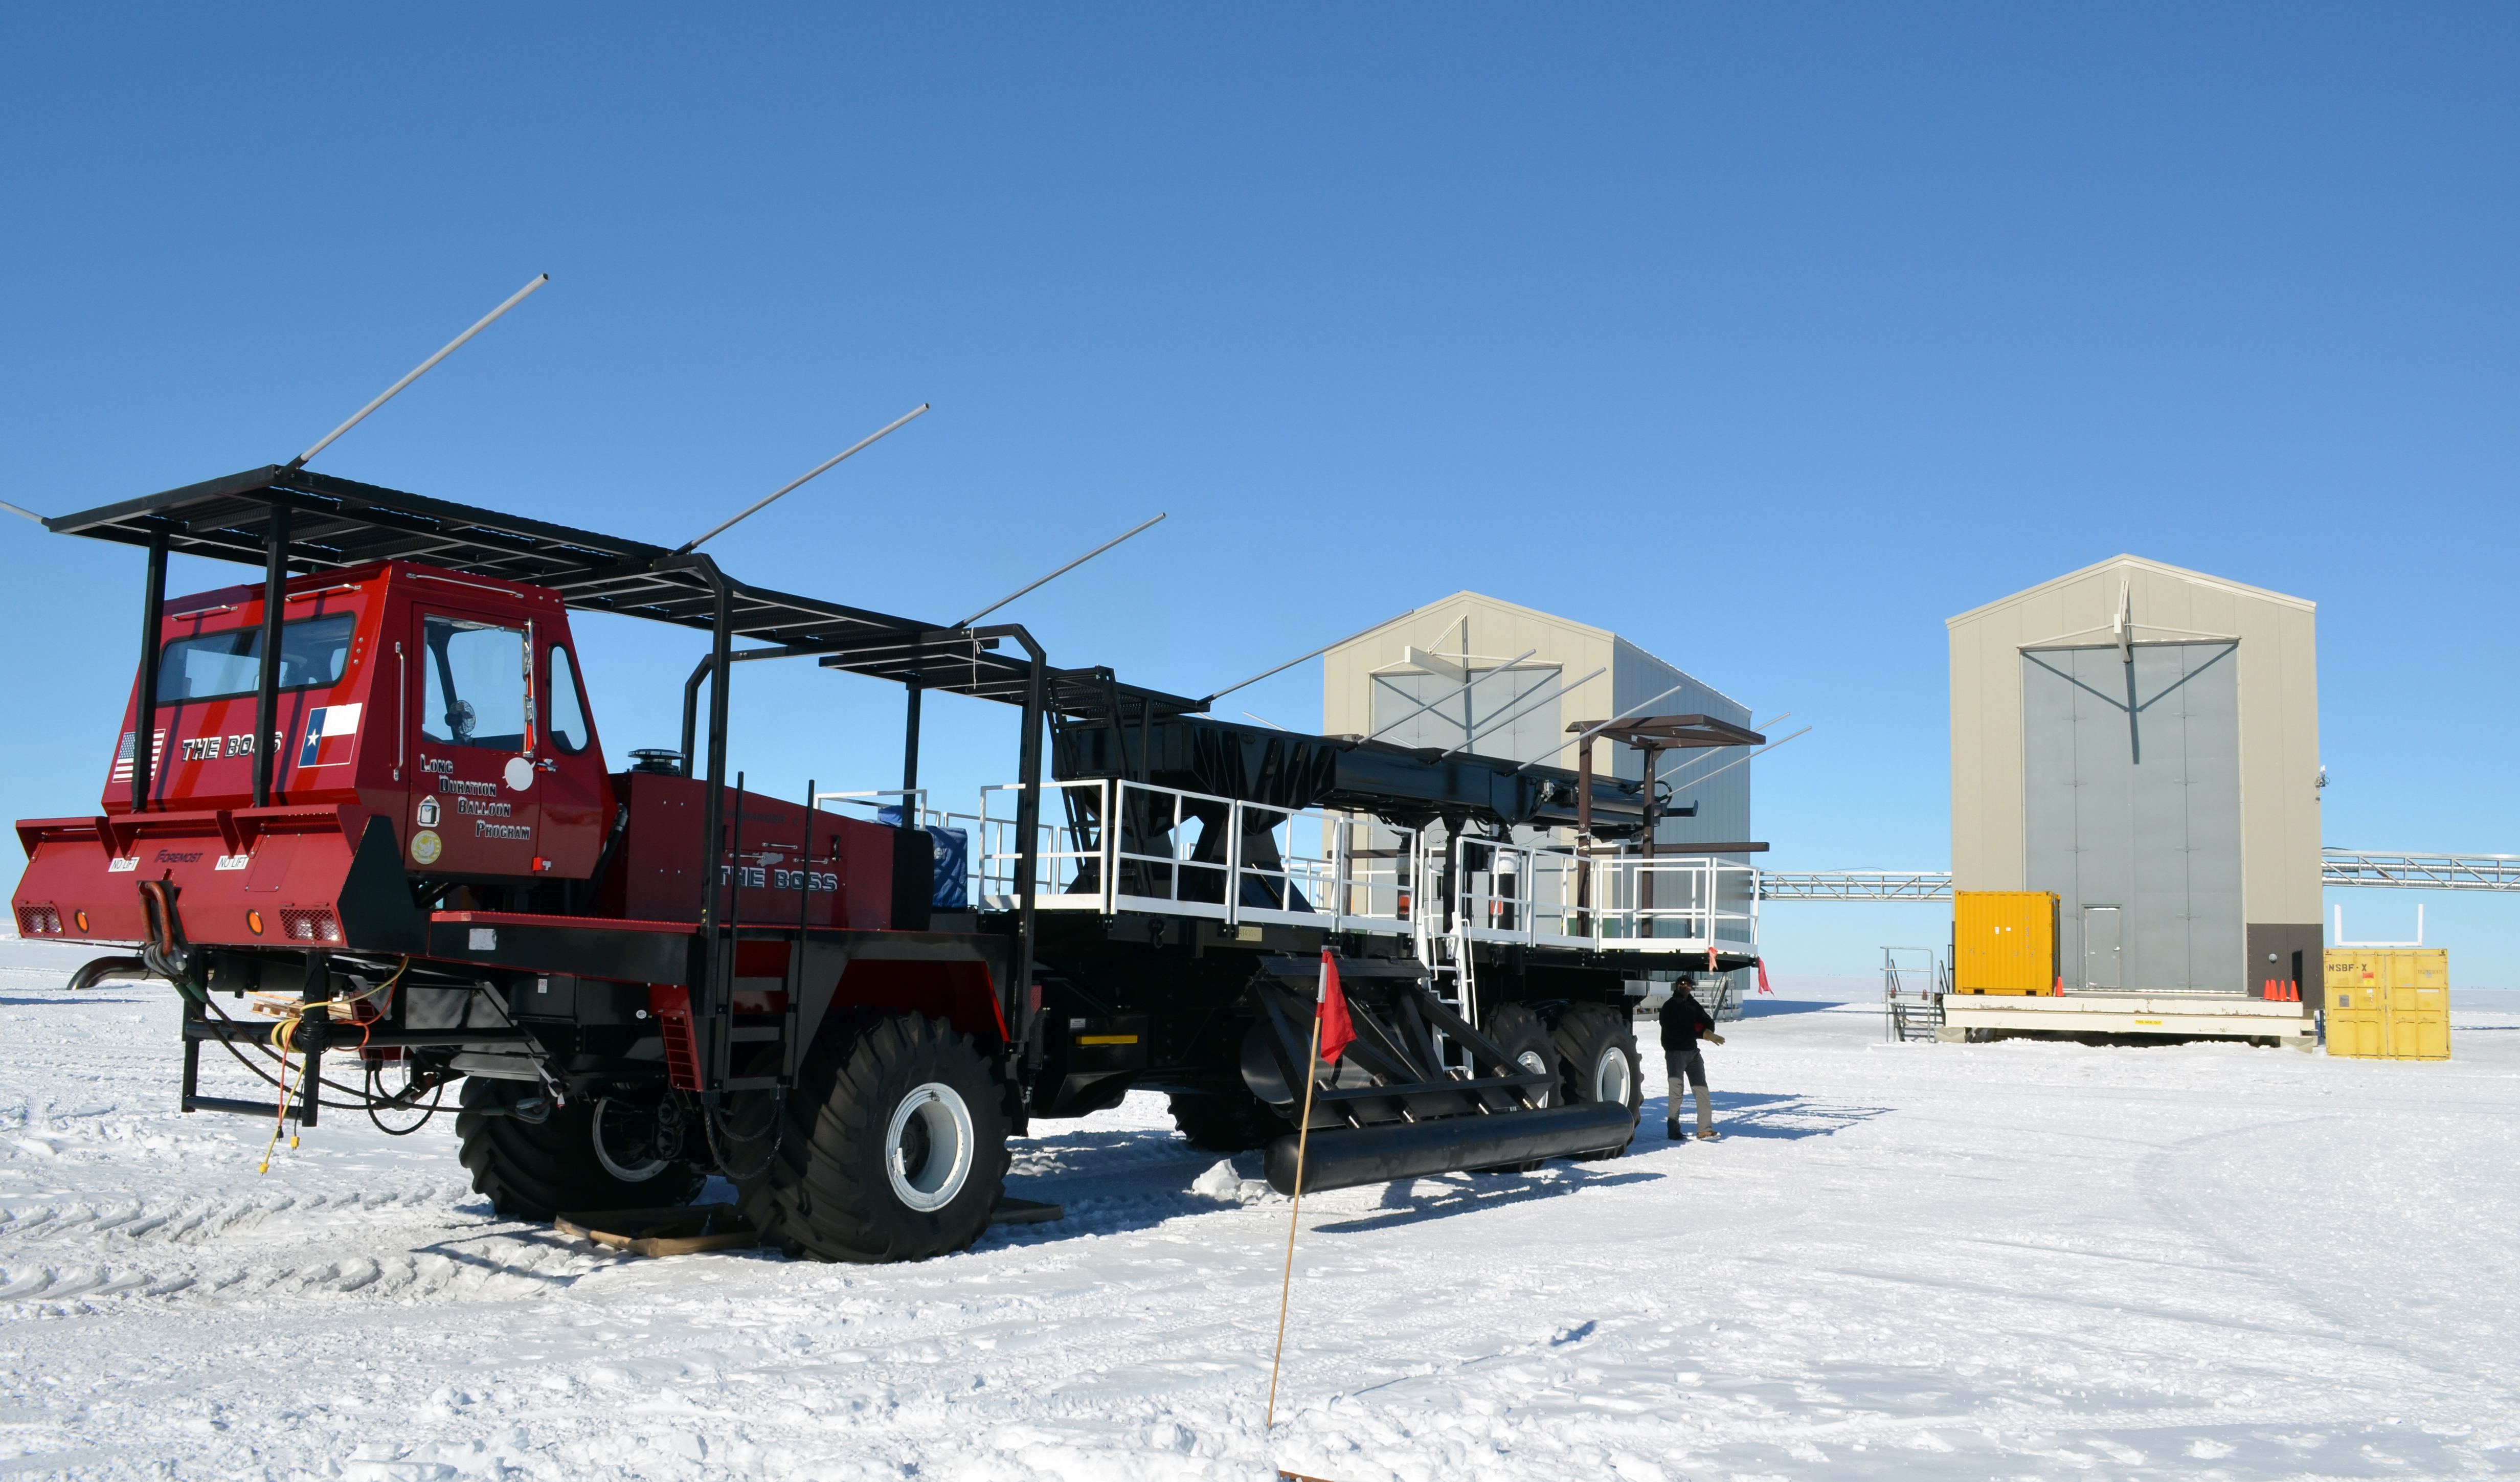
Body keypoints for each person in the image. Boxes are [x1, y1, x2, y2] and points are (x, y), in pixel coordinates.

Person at [1660, 983, 1725, 1141]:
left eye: (1688, 985)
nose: (1685, 987)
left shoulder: (1693, 1005)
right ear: (1677, 987)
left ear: (1692, 988)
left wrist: (1708, 1031)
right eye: (1682, 985)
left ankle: (1705, 1130)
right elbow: (1673, 1032)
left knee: (1702, 1090)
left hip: (1693, 1053)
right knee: (1676, 1092)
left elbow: (1707, 1020)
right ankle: (1674, 1131)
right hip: (1675, 1053)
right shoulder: (1669, 1007)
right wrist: (1700, 1035)